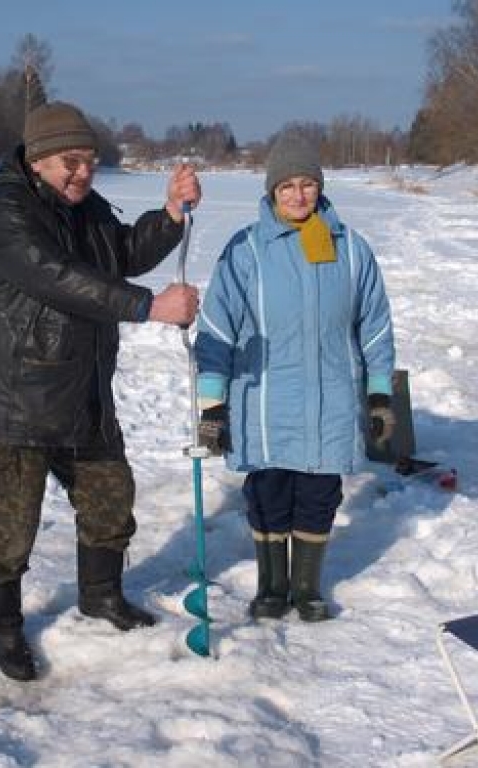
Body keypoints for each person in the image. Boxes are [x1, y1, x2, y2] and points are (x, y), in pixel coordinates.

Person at [0, 99, 201, 681]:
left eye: (91, 162)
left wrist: (169, 214)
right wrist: (147, 307)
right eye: (72, 162)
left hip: (82, 389)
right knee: (8, 526)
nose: (83, 173)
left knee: (110, 497)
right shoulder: (5, 213)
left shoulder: (85, 207)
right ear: (39, 159)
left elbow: (118, 254)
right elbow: (59, 278)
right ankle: (3, 628)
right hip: (17, 397)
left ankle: (101, 595)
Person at [194, 134, 396, 623]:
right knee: (268, 493)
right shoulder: (246, 250)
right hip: (264, 400)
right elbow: (217, 327)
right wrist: (212, 404)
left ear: (320, 188)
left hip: (331, 398)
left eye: (308, 184)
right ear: (271, 191)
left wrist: (379, 395)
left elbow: (375, 326)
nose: (298, 195)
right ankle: (272, 586)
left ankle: (306, 587)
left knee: (319, 494)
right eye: (288, 186)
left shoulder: (351, 249)